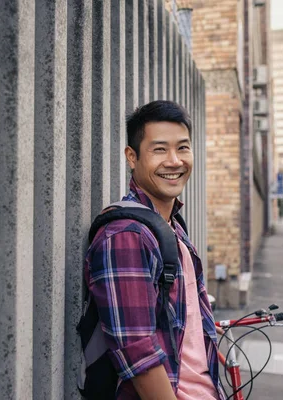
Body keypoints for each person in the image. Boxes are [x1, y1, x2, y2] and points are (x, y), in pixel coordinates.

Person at [84, 100, 224, 399]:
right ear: (132, 157)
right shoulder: (125, 235)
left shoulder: (171, 225)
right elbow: (137, 351)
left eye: (183, 148)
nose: (174, 161)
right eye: (159, 149)